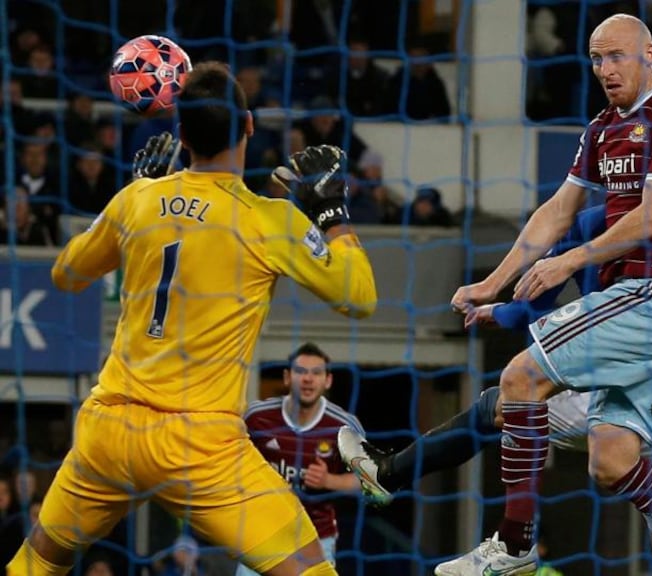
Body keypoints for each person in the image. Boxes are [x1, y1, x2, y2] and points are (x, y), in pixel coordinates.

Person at [7, 61, 377, 576]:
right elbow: (360, 297)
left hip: (109, 431)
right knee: (313, 570)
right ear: (249, 126)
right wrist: (332, 217)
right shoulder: (266, 219)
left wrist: (135, 194)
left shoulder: (136, 199)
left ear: (180, 135)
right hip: (199, 447)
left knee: (37, 563)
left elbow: (66, 272)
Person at [440, 13, 652, 576]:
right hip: (635, 309)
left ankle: (515, 547)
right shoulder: (601, 128)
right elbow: (557, 210)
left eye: (616, 55)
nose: (605, 69)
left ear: (650, 54)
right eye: (596, 59)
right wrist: (491, 283)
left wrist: (568, 261)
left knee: (520, 379)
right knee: (610, 462)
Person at [339, 205, 652, 576]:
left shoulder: (592, 223)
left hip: (621, 395)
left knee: (503, 404)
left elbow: (537, 302)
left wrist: (499, 312)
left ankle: (396, 476)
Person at [238, 342, 364, 575]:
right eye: (300, 371)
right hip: (262, 534)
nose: (308, 379)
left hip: (317, 540)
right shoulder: (256, 417)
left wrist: (330, 481)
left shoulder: (344, 426)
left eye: (316, 373)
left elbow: (368, 482)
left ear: (327, 381)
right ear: (287, 377)